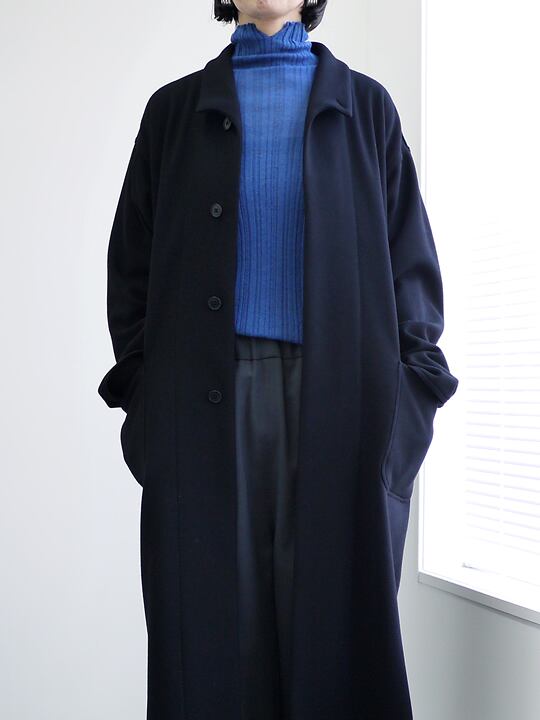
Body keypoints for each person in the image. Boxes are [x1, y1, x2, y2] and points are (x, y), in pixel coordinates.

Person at [97, 2, 459, 719]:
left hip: (341, 417)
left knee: (335, 658)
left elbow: (414, 284)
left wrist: (403, 422)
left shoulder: (367, 111)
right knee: (212, 659)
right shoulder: (171, 115)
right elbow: (130, 280)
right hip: (204, 417)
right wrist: (151, 416)